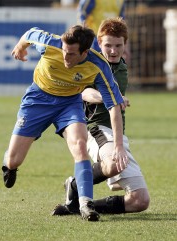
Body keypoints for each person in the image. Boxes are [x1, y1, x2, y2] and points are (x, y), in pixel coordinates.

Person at [2, 24, 129, 222]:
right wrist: (20, 46)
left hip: (69, 104)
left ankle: (86, 203)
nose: (64, 57)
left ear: (85, 52)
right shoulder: (50, 43)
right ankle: (9, 166)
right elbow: (29, 33)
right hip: (38, 100)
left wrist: (119, 146)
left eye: (70, 54)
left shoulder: (99, 66)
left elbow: (114, 107)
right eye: (63, 51)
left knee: (80, 145)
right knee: (14, 159)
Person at [52, 17, 150, 216]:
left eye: (118, 45)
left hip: (116, 132)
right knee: (113, 163)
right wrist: (111, 98)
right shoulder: (90, 63)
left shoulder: (121, 66)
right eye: (108, 45)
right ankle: (77, 185)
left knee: (140, 200)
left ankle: (79, 203)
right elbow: (84, 93)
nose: (113, 51)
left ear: (125, 45)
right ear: (98, 43)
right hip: (95, 128)